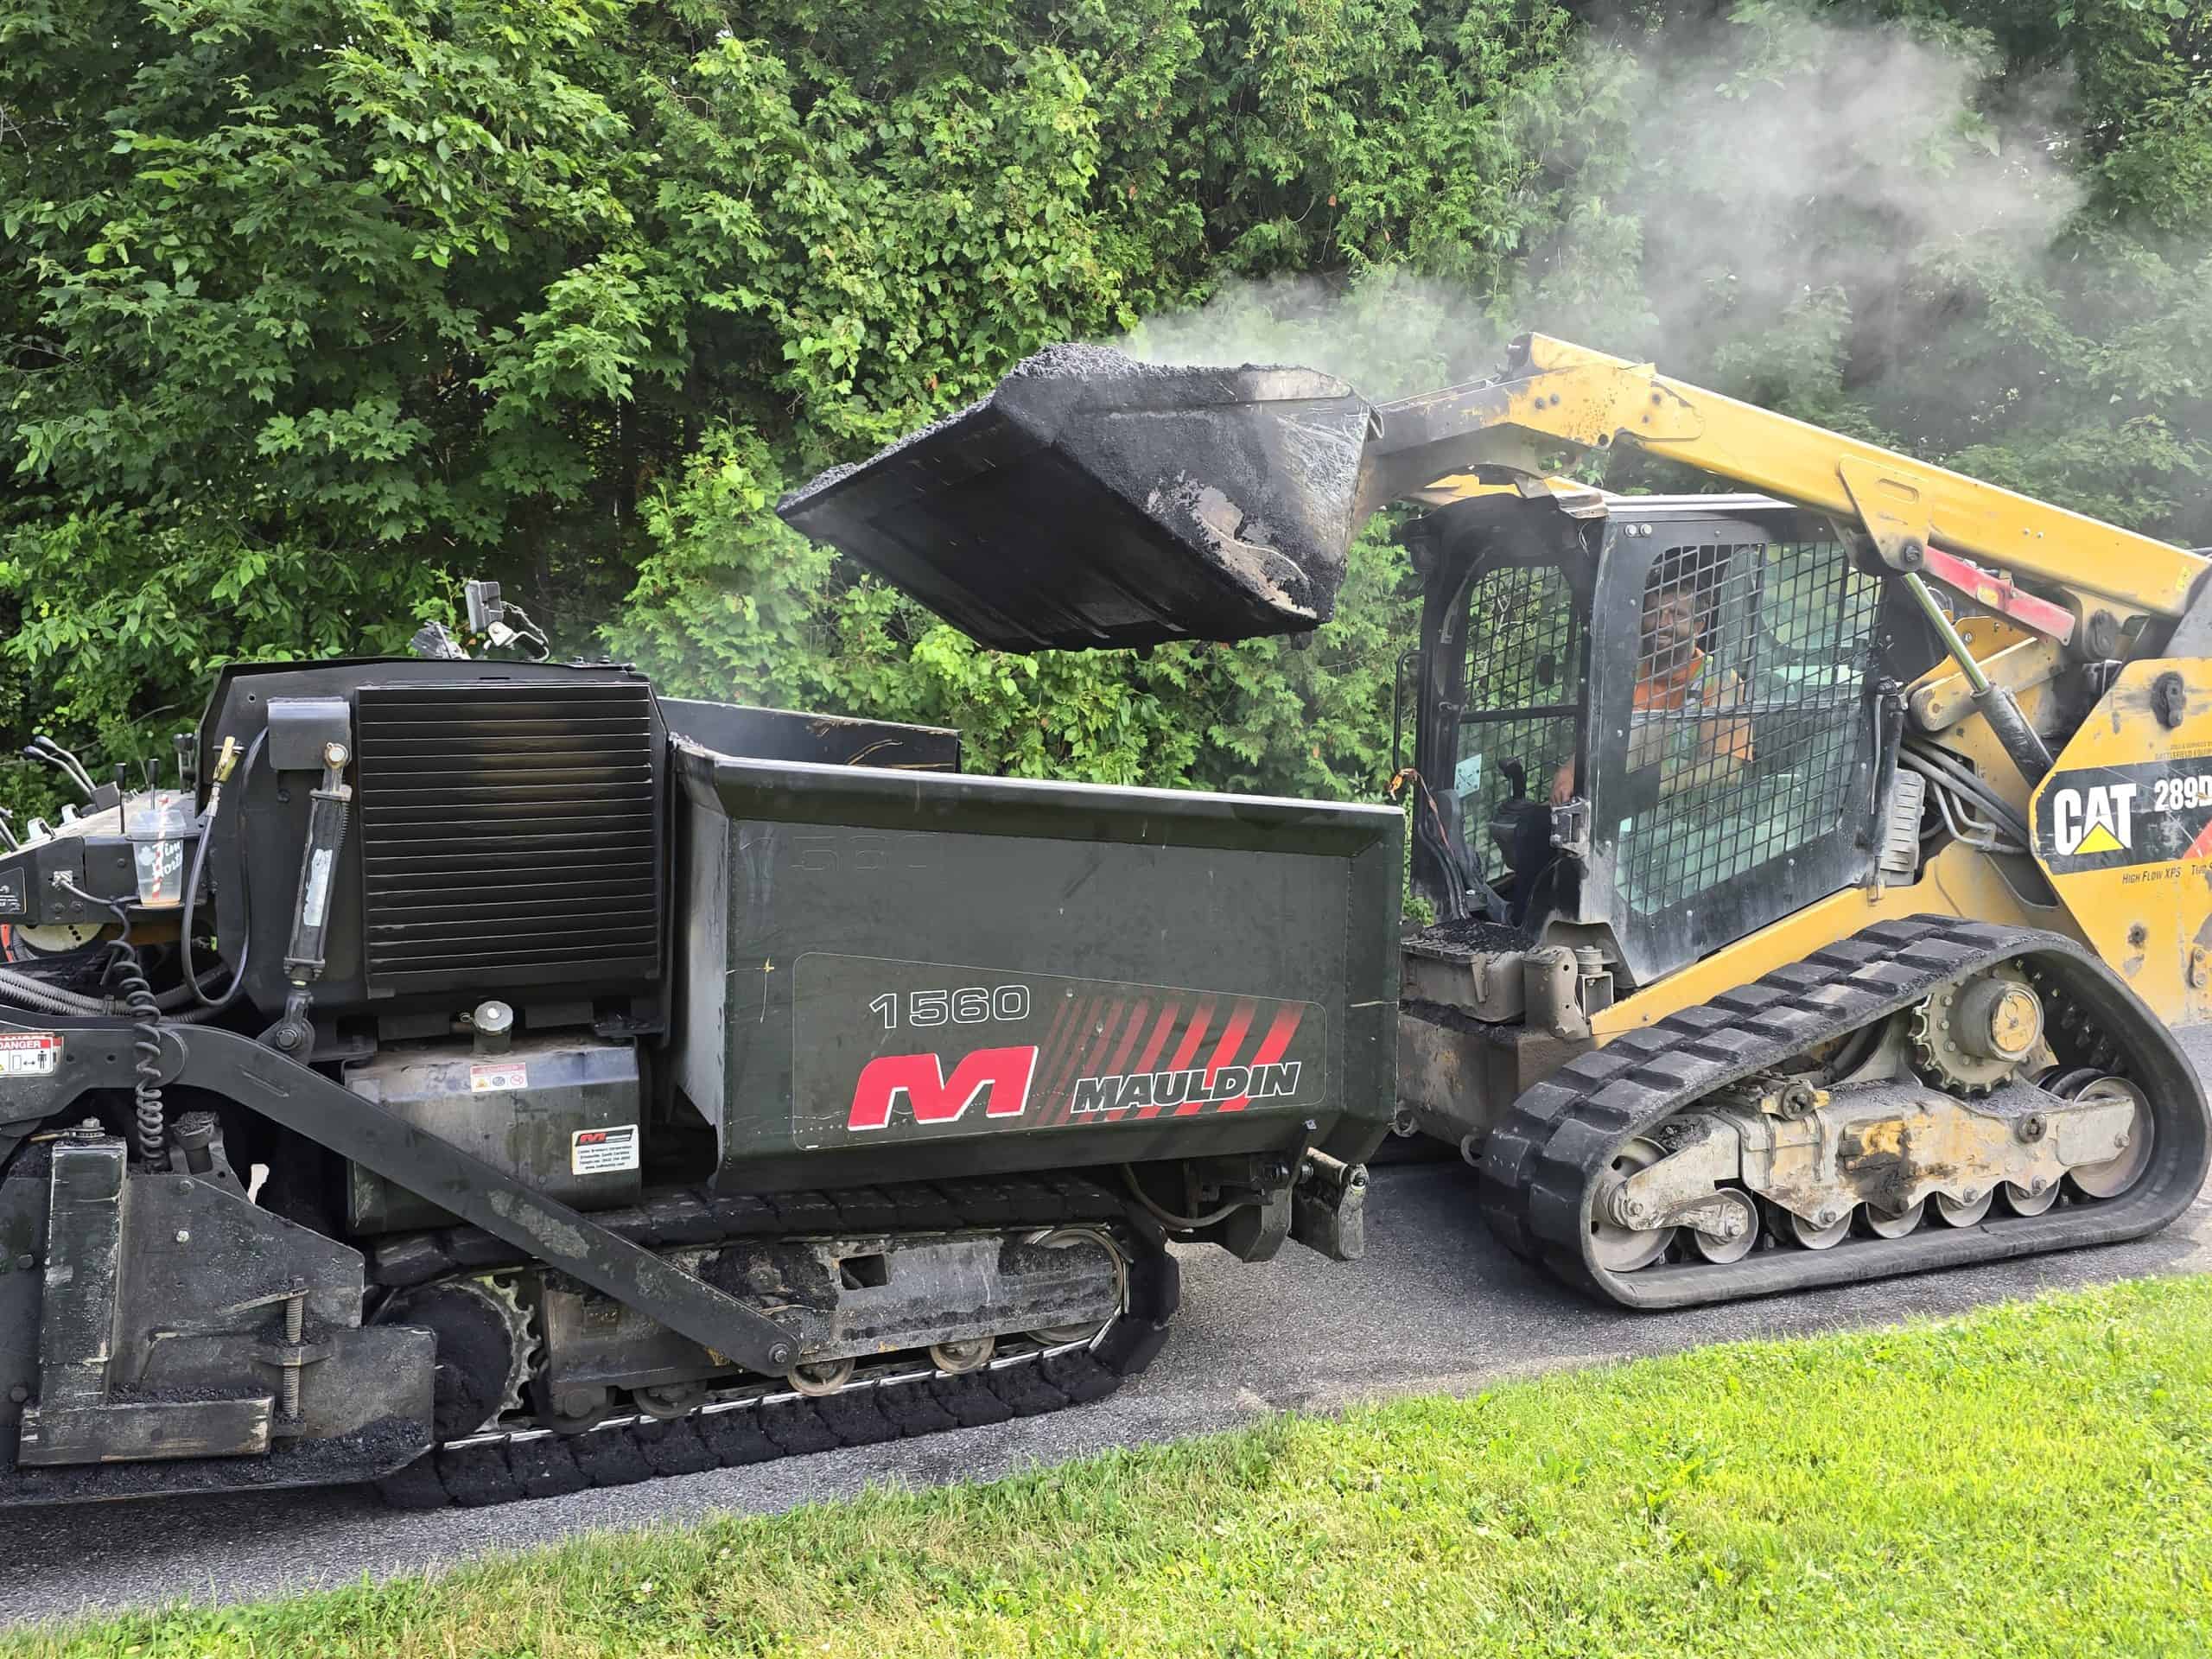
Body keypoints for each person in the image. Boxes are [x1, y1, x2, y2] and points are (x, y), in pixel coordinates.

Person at [1549, 570, 1754, 804]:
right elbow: (1599, 741)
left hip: (1683, 822)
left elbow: (1726, 765)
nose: (1661, 624)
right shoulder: (1625, 677)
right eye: (1654, 613)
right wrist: (1569, 771)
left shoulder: (1719, 681)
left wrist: (1655, 786)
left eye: (1676, 614)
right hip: (1614, 813)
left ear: (1698, 626)